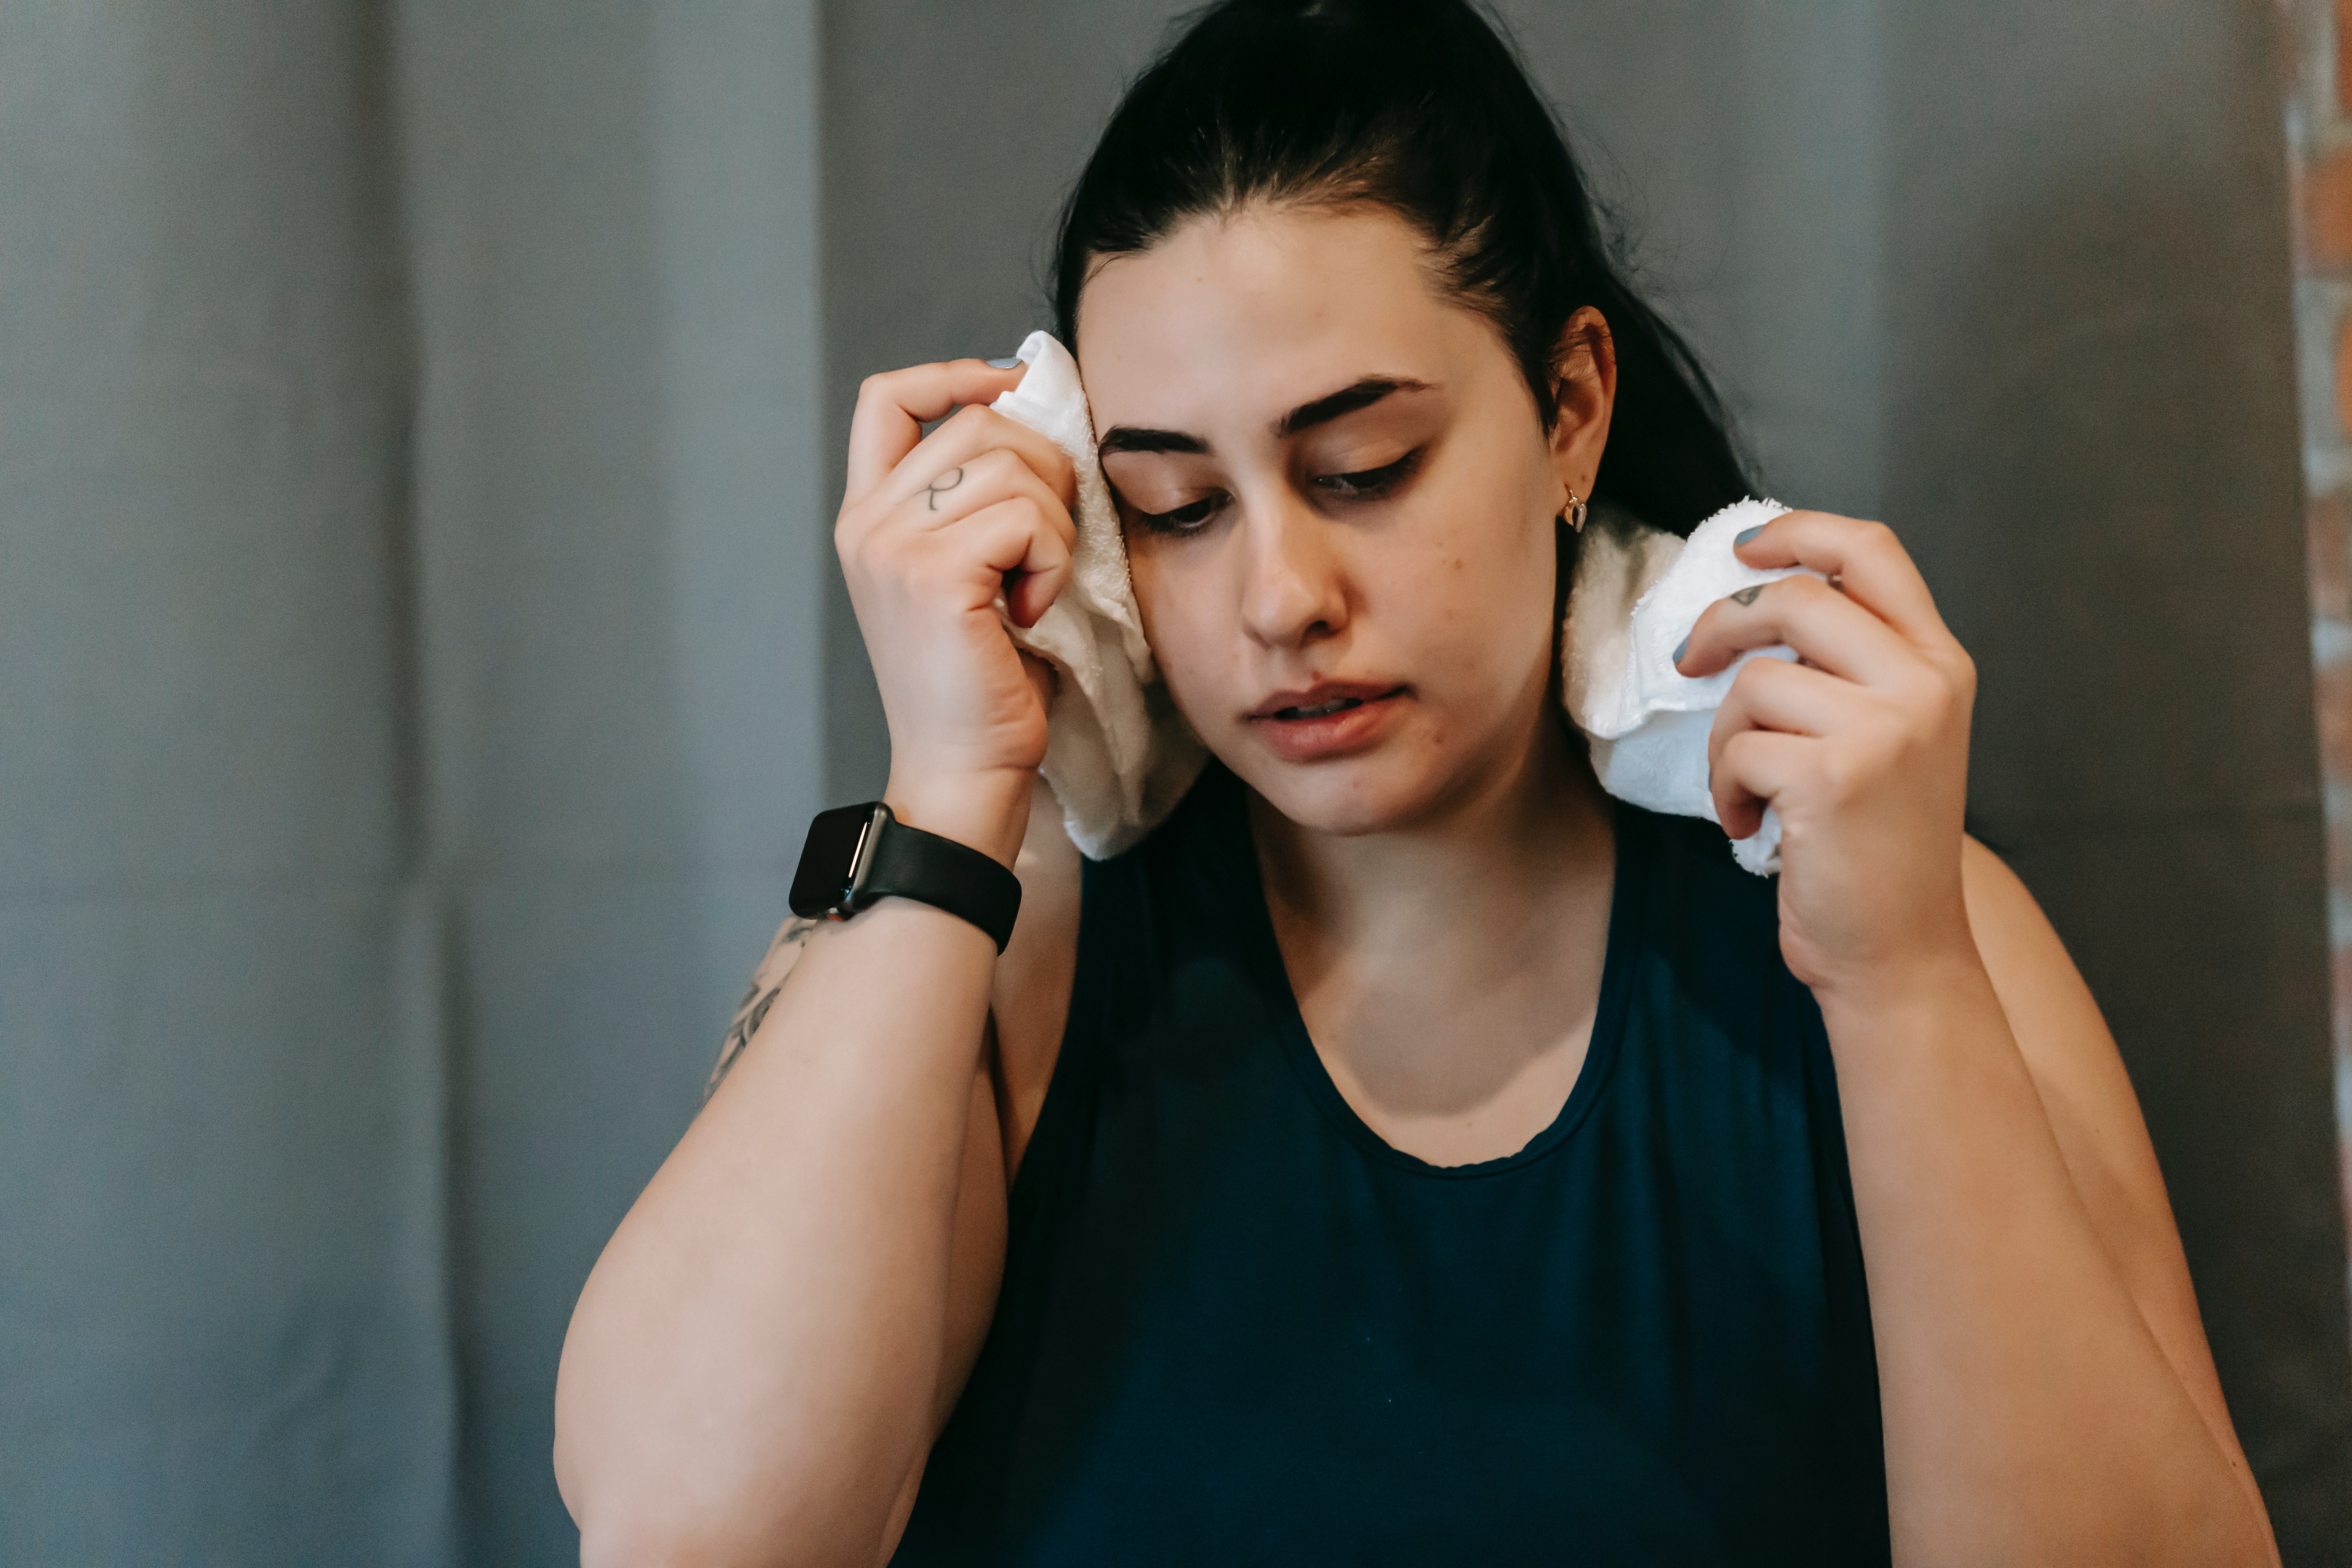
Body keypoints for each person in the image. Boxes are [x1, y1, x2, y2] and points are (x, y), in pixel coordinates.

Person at [552, 2, 2281, 1562]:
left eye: (1364, 467)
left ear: (1572, 411)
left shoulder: (1894, 925)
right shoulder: (1014, 955)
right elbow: (686, 1530)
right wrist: (945, 788)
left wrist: (1900, 982)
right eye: (1175, 504)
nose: (1281, 598)